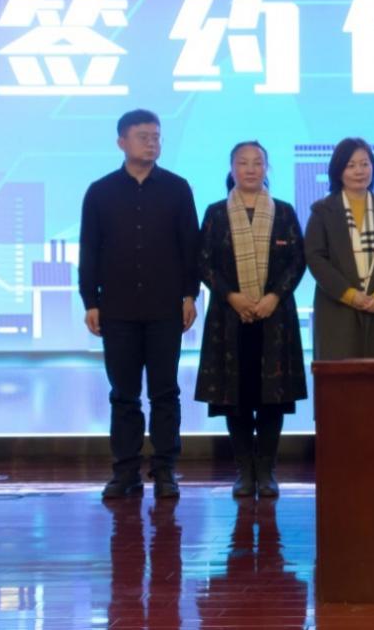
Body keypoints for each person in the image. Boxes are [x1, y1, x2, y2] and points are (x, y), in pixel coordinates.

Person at [79, 109, 200, 500]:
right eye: (143, 136)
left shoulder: (178, 188)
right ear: (122, 142)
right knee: (124, 395)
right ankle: (125, 471)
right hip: (117, 309)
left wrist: (190, 294)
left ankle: (165, 471)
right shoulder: (100, 191)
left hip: (166, 308)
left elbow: (190, 247)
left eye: (156, 137)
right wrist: (90, 300)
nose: (152, 143)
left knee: (165, 393)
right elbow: (89, 250)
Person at [196, 142, 307, 498]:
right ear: (232, 168)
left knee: (272, 397)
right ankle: (244, 471)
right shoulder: (215, 213)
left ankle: (267, 470)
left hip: (275, 317)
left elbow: (298, 261)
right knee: (237, 395)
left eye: (257, 163)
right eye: (242, 163)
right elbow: (203, 262)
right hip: (229, 318)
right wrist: (232, 296)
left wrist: (273, 297)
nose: (250, 169)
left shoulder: (284, 212)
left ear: (266, 169)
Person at [304, 138, 374, 360]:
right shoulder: (322, 211)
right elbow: (315, 257)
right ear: (338, 171)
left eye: (365, 164)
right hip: (337, 310)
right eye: (351, 165)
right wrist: (350, 295)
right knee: (340, 376)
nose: (359, 171)